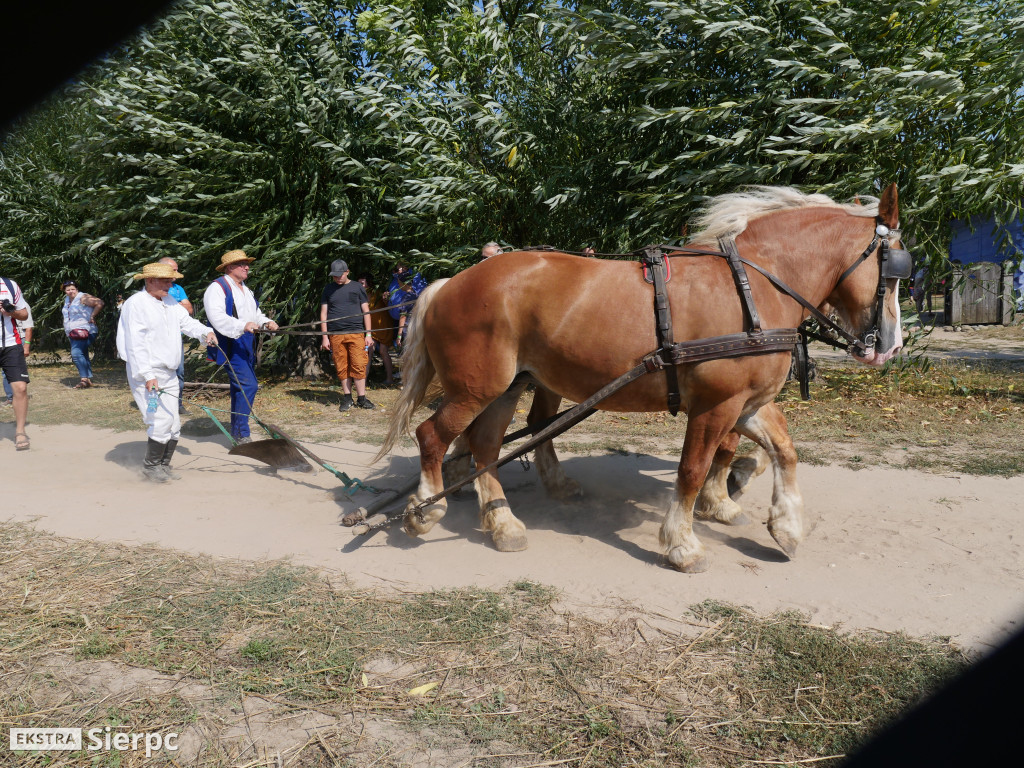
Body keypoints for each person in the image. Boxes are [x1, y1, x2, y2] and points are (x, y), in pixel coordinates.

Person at [118, 262, 216, 482]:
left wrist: (206, 333)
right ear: (150, 280)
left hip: (169, 373)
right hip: (148, 374)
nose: (171, 285)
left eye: (172, 281)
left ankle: (163, 465)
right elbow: (136, 344)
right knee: (159, 420)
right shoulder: (136, 305)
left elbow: (188, 323)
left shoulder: (170, 302)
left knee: (173, 423)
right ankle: (150, 468)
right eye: (167, 281)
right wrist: (147, 375)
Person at [202, 249, 279, 443]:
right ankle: (242, 434)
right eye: (242, 264)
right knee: (248, 385)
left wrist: (266, 323)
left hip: (246, 343)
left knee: (240, 388)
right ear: (229, 267)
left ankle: (236, 433)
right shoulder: (217, 287)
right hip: (230, 343)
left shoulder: (246, 289)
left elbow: (255, 314)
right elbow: (217, 317)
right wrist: (242, 326)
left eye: (247, 263)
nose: (247, 267)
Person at [321, 260, 375, 411]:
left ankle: (362, 398)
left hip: (356, 332)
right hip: (336, 334)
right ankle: (347, 398)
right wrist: (325, 336)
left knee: (359, 365)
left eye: (340, 275)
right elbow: (324, 314)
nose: (337, 278)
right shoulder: (328, 289)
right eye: (334, 276)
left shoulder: (357, 287)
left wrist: (368, 334)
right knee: (341, 366)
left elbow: (366, 311)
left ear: (347, 272)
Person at [159, 257, 194, 414]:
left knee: (178, 371)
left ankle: (177, 404)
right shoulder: (155, 290)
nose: (177, 273)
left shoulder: (178, 288)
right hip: (159, 338)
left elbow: (190, 310)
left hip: (176, 337)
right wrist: (179, 305)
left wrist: (173, 306)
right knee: (160, 372)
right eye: (174, 270)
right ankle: (157, 404)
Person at [0, 276, 31, 450]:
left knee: (20, 388)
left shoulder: (10, 285)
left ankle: (20, 432)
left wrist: (9, 311)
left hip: (11, 344)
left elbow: (24, 314)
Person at [61, 279, 104, 389]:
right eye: (68, 290)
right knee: (82, 353)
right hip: (73, 331)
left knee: (76, 353)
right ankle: (87, 378)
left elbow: (100, 303)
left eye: (73, 289)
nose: (71, 291)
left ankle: (84, 379)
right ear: (64, 291)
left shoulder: (83, 297)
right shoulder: (67, 300)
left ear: (77, 289)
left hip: (86, 330)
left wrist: (92, 316)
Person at [357, 275, 396, 386]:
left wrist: (386, 298)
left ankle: (389, 379)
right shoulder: (360, 296)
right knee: (368, 351)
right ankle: (363, 381)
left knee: (383, 351)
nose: (361, 286)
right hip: (371, 328)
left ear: (369, 284)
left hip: (384, 325)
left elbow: (387, 303)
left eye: (363, 283)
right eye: (359, 283)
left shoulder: (377, 293)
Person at [387, 263, 428, 348]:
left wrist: (399, 336)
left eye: (399, 283)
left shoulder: (406, 298)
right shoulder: (416, 295)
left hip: (408, 331)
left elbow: (403, 317)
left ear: (403, 284)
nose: (398, 285)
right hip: (417, 328)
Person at [2, 301, 32, 406]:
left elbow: (28, 327)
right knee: (5, 373)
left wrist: (27, 345)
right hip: (4, 342)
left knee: (13, 372)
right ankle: (11, 397)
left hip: (18, 340)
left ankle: (14, 397)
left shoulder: (22, 305)